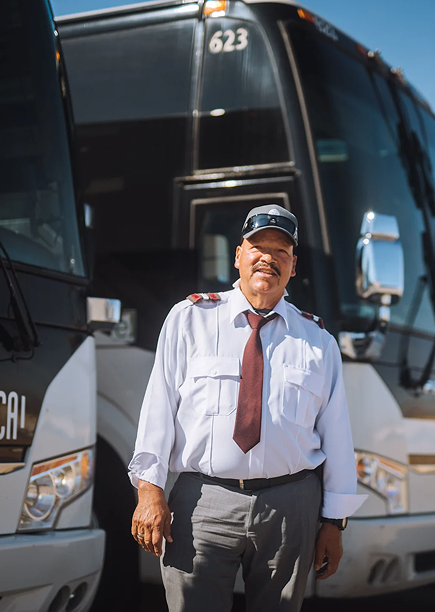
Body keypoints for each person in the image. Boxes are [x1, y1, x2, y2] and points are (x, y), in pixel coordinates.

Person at [128, 204, 367, 612]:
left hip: (291, 507)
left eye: (281, 252)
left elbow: (337, 436)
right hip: (203, 503)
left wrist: (334, 522)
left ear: (293, 266)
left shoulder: (318, 342)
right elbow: (158, 407)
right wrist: (149, 491)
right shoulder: (189, 319)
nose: (268, 258)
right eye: (258, 247)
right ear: (238, 254)